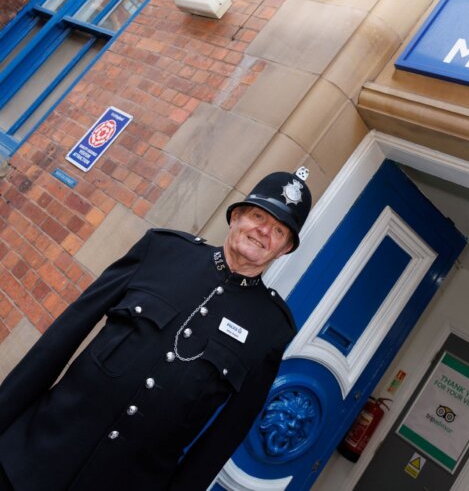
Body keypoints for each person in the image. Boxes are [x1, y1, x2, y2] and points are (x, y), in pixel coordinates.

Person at [0, 167, 313, 491]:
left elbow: (224, 437)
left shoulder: (272, 329)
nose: (264, 232)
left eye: (278, 231)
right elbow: (61, 337)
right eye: (259, 218)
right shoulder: (162, 251)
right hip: (33, 457)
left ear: (284, 249)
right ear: (235, 217)